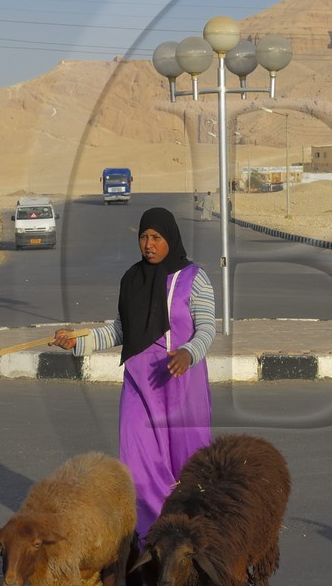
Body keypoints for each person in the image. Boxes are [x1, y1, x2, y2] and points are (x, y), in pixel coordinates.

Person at [51, 206, 215, 536]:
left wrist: (188, 352)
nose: (148, 244)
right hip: (140, 386)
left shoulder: (194, 278)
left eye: (156, 237)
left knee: (188, 464)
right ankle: (151, 536)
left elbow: (208, 328)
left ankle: (194, 534)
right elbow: (119, 330)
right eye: (143, 237)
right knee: (139, 462)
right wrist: (78, 341)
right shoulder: (132, 279)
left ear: (170, 238)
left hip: (182, 385)